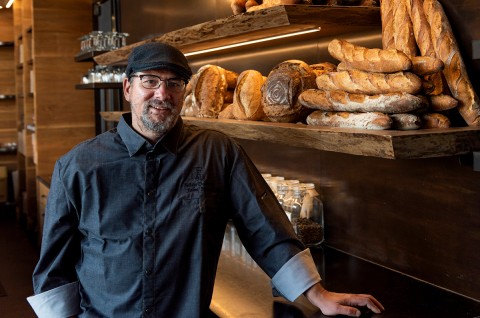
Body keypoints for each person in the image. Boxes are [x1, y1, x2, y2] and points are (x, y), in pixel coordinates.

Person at [27, 42, 384, 318]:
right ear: (127, 88)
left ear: (184, 92)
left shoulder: (217, 153)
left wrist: (317, 294)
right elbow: (54, 266)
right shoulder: (78, 165)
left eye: (173, 84)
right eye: (149, 81)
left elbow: (265, 228)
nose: (161, 94)